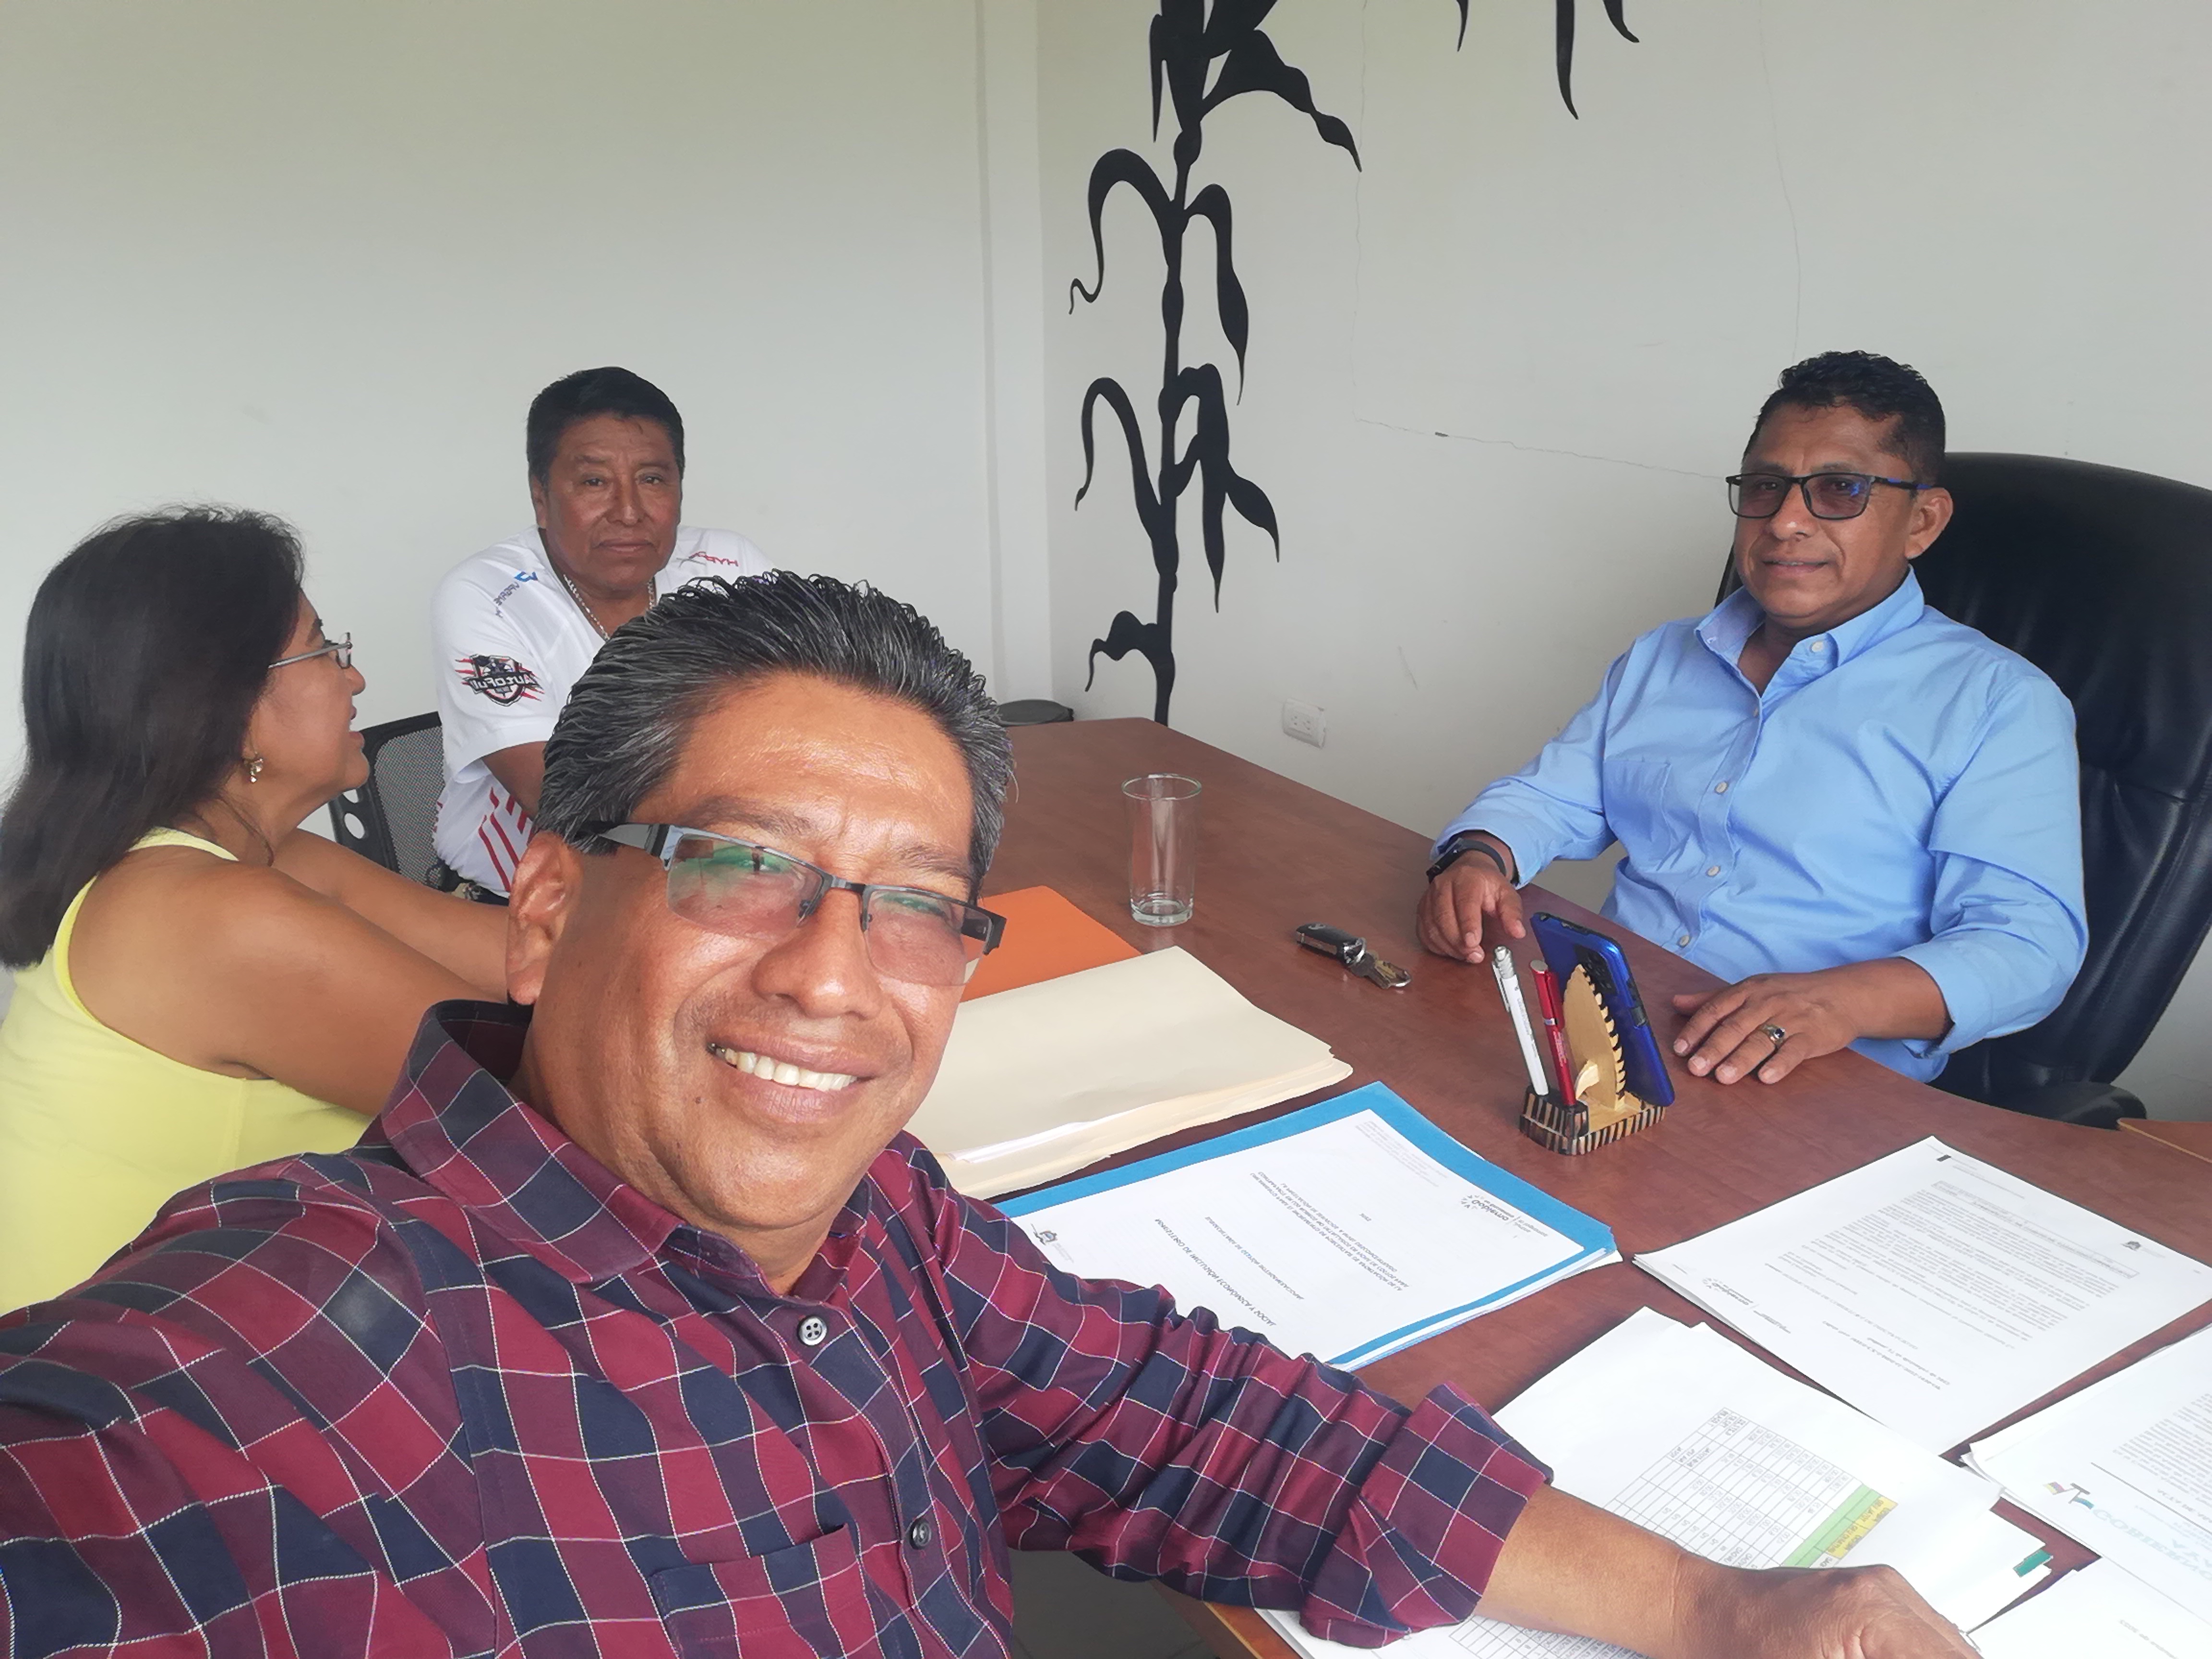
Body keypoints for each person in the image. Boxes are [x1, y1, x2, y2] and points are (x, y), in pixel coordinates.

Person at [0, 572, 1973, 1658]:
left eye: (915, 906)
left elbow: (1188, 1416)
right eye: (741, 866)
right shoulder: (270, 1368)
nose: (831, 975)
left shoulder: (875, 1225)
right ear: (546, 908)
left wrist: (1716, 1599)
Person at [1419, 352, 2085, 1089]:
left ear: (1922, 521)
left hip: (1807, 1082)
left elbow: (2028, 948)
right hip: (1610, 1032)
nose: (1786, 522)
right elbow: (1553, 798)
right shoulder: (1666, 655)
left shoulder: (1998, 702)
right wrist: (1478, 857)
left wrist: (1838, 1001)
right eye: (1766, 487)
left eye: (1840, 489)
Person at [0, 507, 506, 1311]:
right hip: (129, 1376)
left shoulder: (242, 858)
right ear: (227, 704)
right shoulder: (207, 915)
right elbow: (532, 1107)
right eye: (322, 649)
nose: (354, 678)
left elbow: (516, 960)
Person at [431, 365, 770, 897]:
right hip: (530, 901)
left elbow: (801, 725)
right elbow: (560, 798)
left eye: (652, 480)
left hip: (708, 881)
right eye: (594, 482)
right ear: (541, 498)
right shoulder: (485, 595)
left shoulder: (730, 566)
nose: (629, 512)